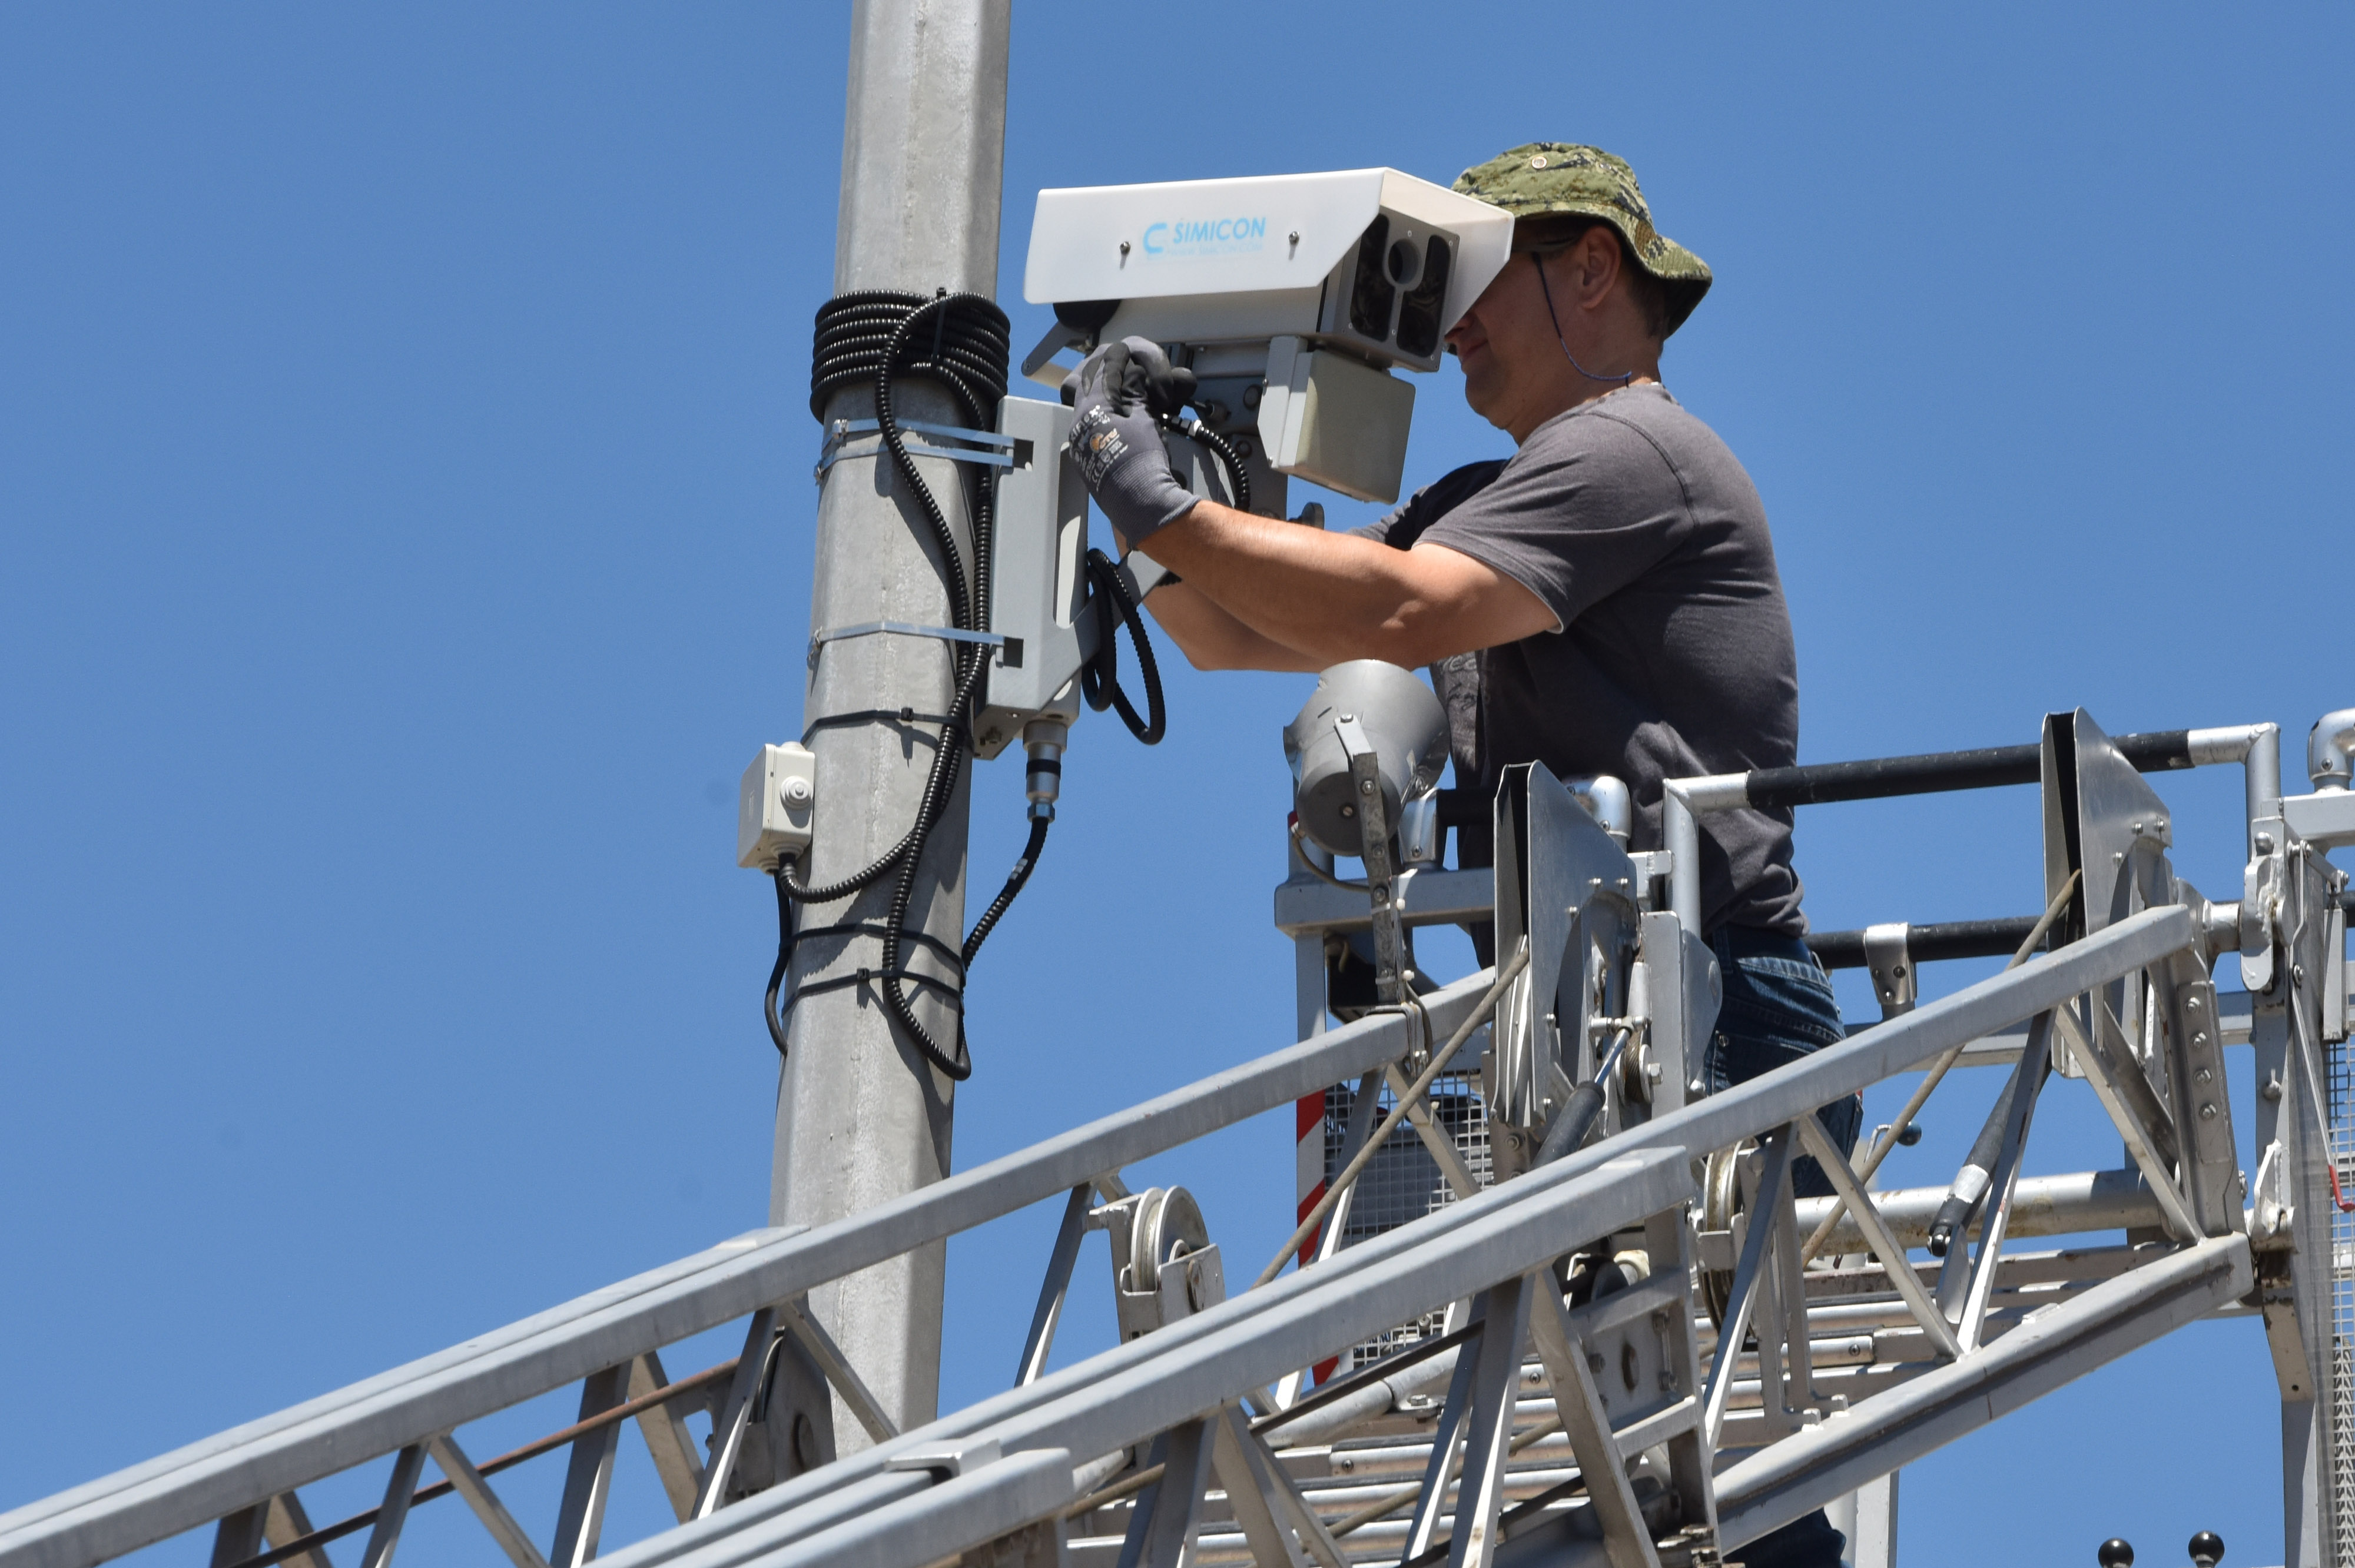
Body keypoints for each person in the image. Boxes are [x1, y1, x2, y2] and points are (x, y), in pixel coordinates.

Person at [1064, 142, 1853, 1568]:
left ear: (1590, 271)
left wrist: (1165, 507)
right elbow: (1234, 631)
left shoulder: (1629, 451)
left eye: (1478, 282)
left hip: (1712, 1024)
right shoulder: (1504, 494)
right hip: (1591, 1034)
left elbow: (1399, 613)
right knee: (1615, 1515)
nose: (1450, 325)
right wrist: (1170, 512)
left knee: (1709, 1510)